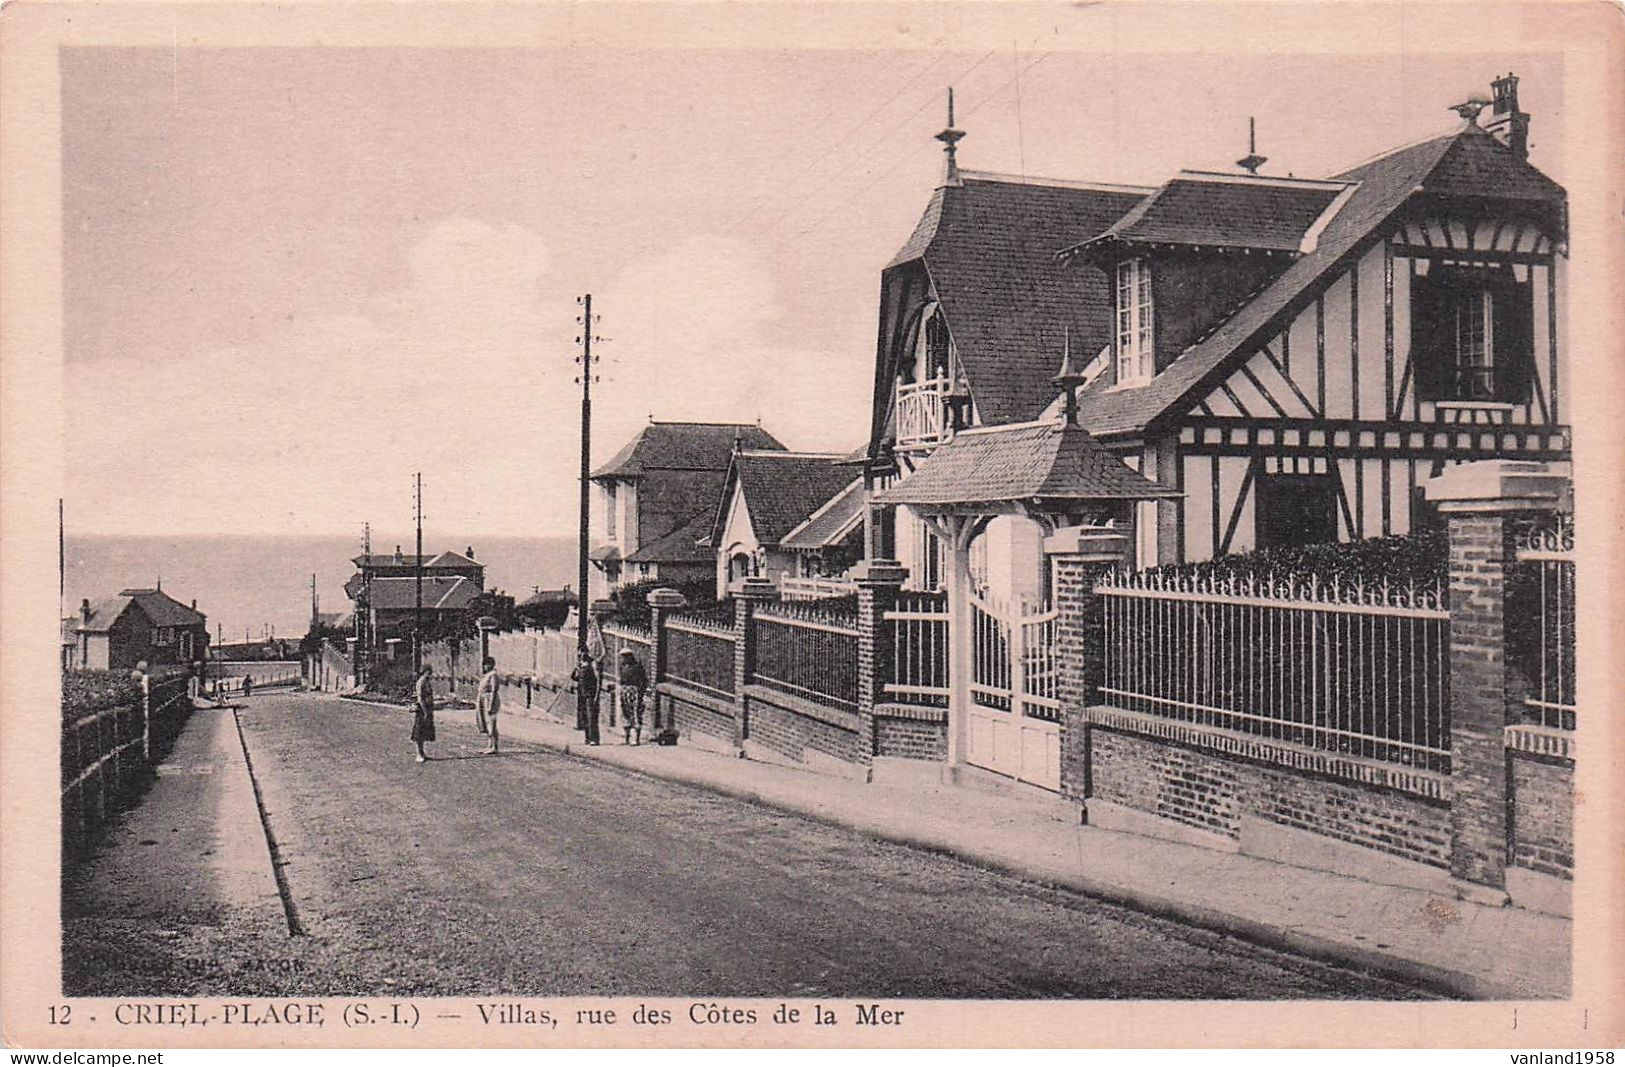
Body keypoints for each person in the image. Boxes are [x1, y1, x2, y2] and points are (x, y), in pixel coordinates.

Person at [617, 648, 648, 746]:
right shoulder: (622, 667)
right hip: (625, 691)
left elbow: (643, 681)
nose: (622, 659)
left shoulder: (637, 667)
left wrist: (640, 693)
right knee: (625, 714)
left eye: (624, 657)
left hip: (635, 692)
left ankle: (636, 738)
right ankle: (627, 738)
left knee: (636, 714)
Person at [571, 649, 601, 745]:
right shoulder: (582, 670)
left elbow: (593, 683)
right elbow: (574, 678)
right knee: (585, 717)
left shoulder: (588, 670)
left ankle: (593, 739)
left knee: (591, 718)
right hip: (583, 697)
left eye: (582, 660)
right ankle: (587, 738)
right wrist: (576, 669)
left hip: (589, 697)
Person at [476, 656, 501, 755]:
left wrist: (490, 705)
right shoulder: (487, 675)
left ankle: (495, 746)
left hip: (490, 699)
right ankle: (489, 745)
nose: (484, 667)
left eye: (486, 664)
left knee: (492, 724)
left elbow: (494, 690)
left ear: (491, 664)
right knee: (486, 723)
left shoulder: (493, 675)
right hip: (484, 699)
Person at [412, 664, 436, 762]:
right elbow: (420, 698)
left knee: (424, 731)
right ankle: (419, 754)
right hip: (422, 709)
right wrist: (425, 711)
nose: (430, 674)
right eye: (429, 672)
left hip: (427, 708)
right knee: (419, 731)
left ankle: (422, 753)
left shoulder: (426, 681)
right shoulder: (421, 682)